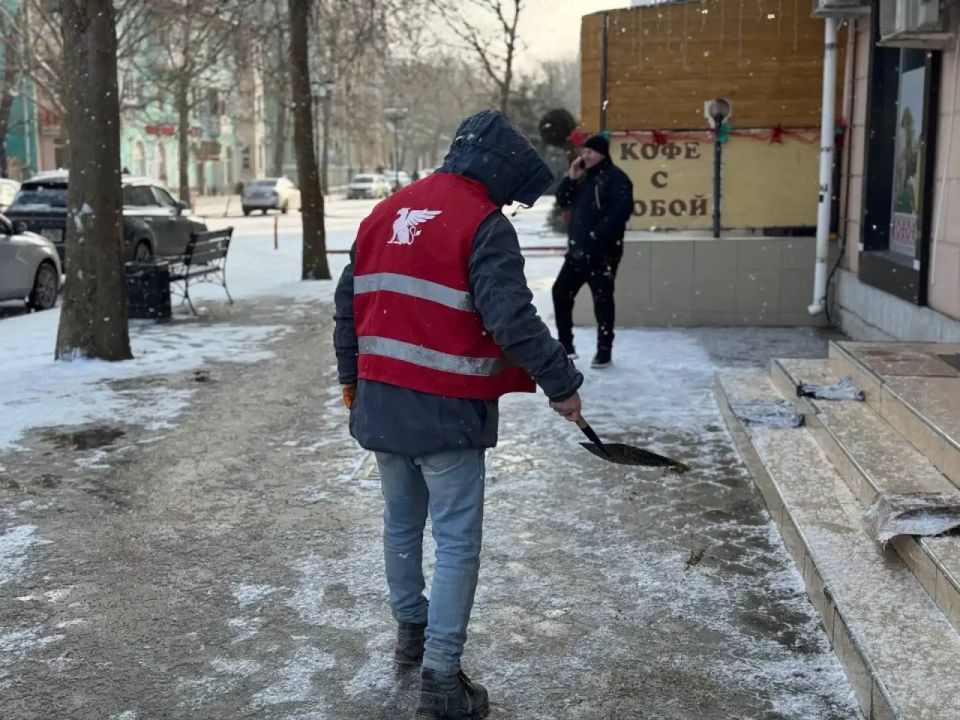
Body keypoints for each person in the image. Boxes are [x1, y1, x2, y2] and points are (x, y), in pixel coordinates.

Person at [334, 110, 584, 719]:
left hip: (382, 404)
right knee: (455, 542)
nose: (511, 207)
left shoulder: (386, 211)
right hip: (445, 413)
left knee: (400, 524)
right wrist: (561, 381)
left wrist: (351, 382)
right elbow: (510, 319)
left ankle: (411, 637)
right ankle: (442, 681)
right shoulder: (482, 223)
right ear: (501, 176)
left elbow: (349, 305)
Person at [552, 134, 634, 368]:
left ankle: (604, 350)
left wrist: (595, 237)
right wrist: (571, 177)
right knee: (560, 293)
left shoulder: (616, 179)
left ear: (602, 154)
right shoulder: (583, 178)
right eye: (584, 152)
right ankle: (566, 346)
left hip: (602, 254)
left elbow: (620, 213)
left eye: (590, 152)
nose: (585, 156)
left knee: (602, 302)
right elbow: (562, 200)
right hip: (577, 253)